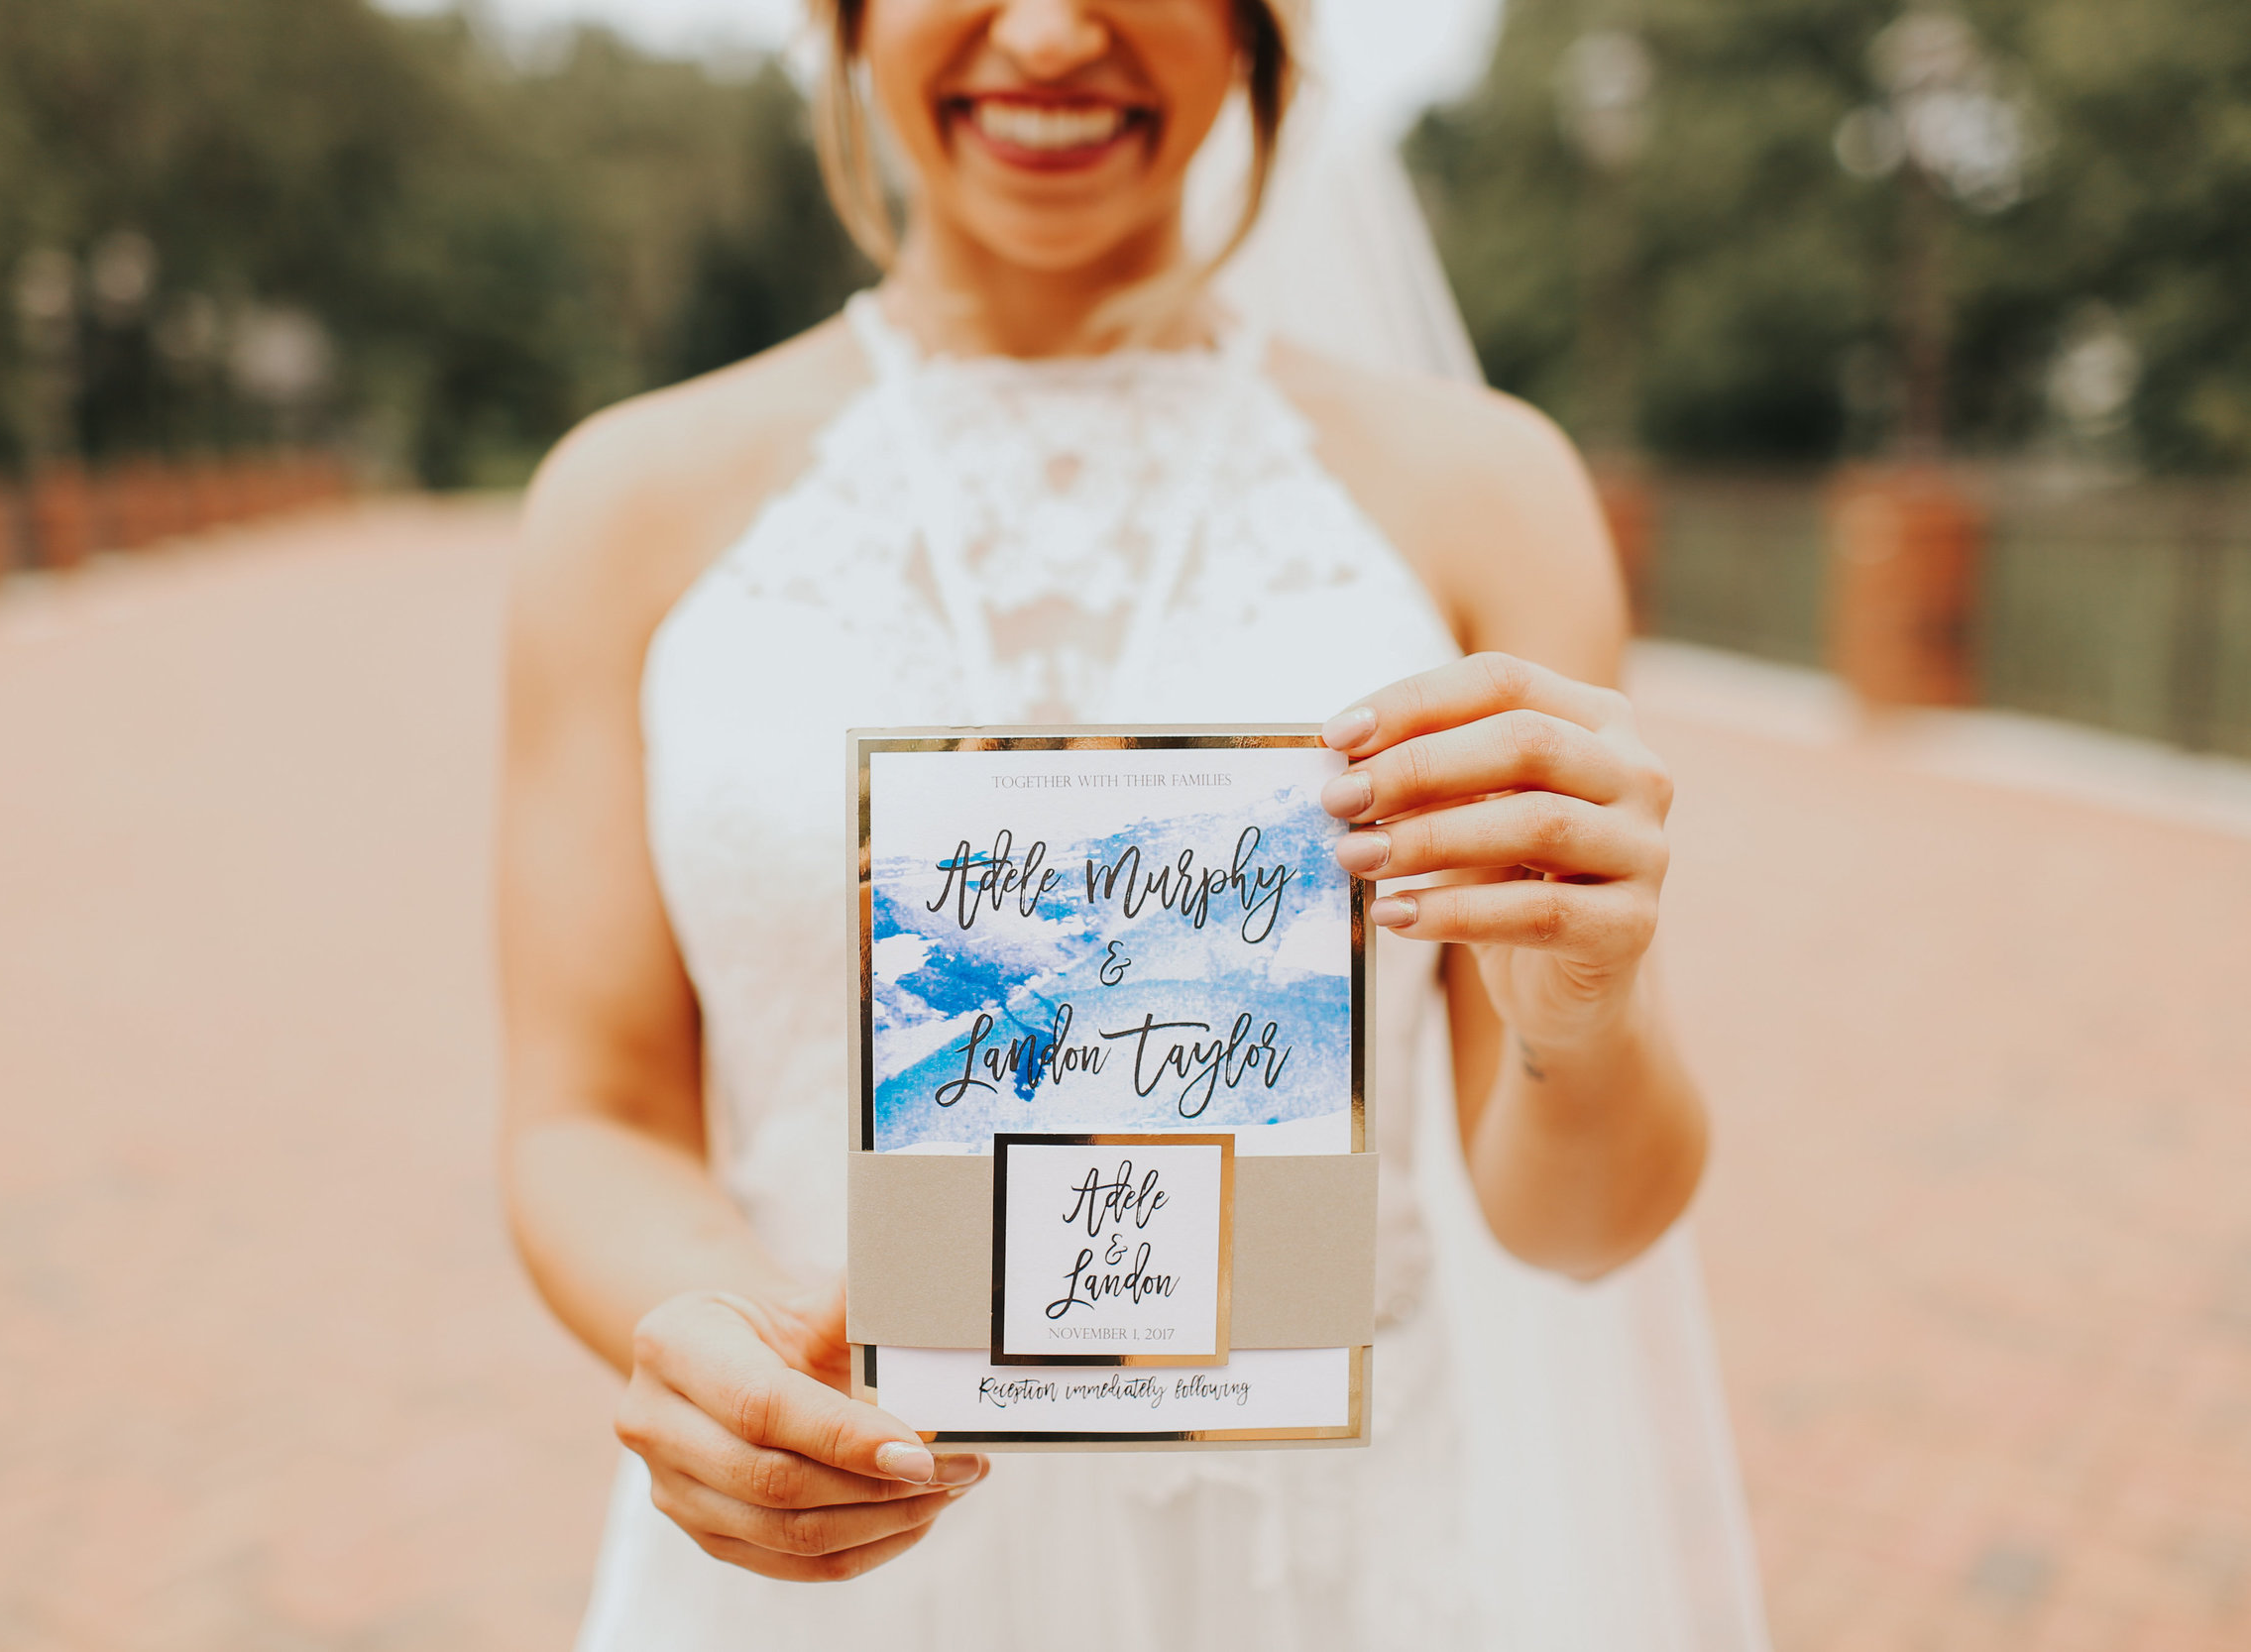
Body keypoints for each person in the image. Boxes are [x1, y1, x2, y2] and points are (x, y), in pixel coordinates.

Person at [500, 2, 1767, 1645]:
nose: (1043, 33)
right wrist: (708, 1333)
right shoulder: (627, 503)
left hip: (1318, 1561)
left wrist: (1578, 1009)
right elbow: (583, 1113)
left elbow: (1582, 1225)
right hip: (828, 1535)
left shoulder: (1482, 494)